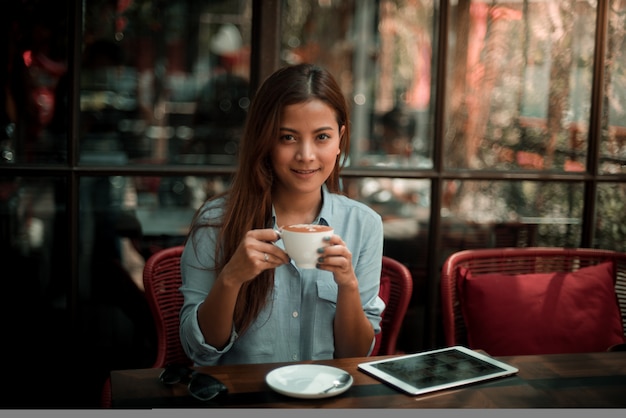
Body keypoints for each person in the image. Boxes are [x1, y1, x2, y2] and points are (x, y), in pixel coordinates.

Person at [179, 63, 385, 366]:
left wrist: (348, 287)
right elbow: (199, 351)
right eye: (288, 137)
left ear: (340, 139)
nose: (306, 155)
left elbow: (355, 356)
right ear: (265, 140)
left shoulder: (363, 224)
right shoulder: (217, 220)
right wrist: (231, 279)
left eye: (322, 137)